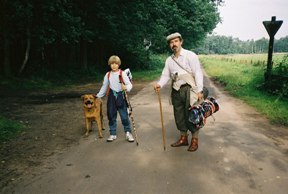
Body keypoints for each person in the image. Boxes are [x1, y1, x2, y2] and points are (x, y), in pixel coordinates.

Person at [154, 32, 205, 152]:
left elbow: (197, 72)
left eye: (176, 41)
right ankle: (183, 138)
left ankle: (194, 140)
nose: (174, 44)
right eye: (171, 42)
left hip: (189, 89)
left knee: (192, 115)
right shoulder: (169, 60)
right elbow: (165, 75)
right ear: (169, 45)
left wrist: (199, 90)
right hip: (176, 90)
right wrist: (159, 84)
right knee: (179, 115)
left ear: (181, 42)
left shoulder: (190, 55)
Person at [96, 55, 134, 142]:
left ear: (119, 64)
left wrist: (126, 87)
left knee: (124, 116)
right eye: (112, 63)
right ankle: (112, 133)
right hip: (111, 97)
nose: (114, 65)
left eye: (116, 63)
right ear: (109, 64)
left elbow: (129, 84)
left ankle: (128, 133)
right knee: (111, 115)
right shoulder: (108, 75)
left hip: (121, 96)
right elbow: (104, 86)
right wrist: (98, 96)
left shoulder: (122, 73)